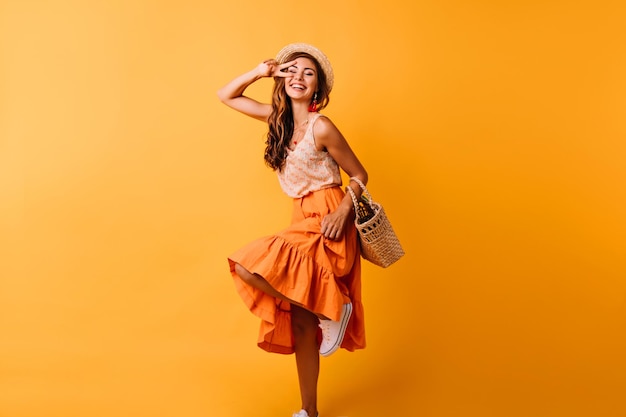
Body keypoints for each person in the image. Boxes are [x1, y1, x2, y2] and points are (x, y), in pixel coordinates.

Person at [217, 43, 368, 417]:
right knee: (301, 322)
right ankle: (309, 411)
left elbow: (360, 175)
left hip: (330, 215)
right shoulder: (278, 121)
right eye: (292, 71)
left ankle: (333, 308)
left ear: (318, 89)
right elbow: (227, 95)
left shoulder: (323, 127)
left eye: (308, 73)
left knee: (246, 265)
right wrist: (260, 71)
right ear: (282, 79)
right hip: (300, 218)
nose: (298, 77)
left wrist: (345, 210)